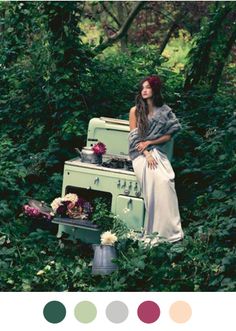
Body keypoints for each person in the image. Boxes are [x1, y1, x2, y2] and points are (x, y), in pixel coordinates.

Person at [128, 75, 184, 243]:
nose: (144, 90)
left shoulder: (164, 111)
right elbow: (134, 139)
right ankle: (154, 232)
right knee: (157, 181)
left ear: (155, 90)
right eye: (142, 88)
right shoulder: (135, 111)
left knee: (166, 182)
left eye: (148, 87)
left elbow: (168, 136)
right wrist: (146, 152)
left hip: (157, 151)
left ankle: (171, 232)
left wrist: (150, 143)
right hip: (139, 155)